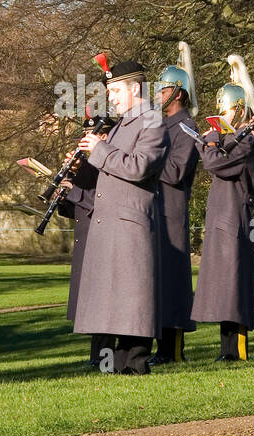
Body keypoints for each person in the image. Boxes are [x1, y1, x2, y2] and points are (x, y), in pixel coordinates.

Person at [72, 59, 169, 375]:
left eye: (115, 90)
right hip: (110, 220)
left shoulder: (152, 121)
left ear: (135, 88)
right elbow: (111, 168)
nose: (110, 96)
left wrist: (99, 151)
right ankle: (115, 364)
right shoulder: (121, 124)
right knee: (116, 297)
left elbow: (139, 167)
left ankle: (135, 364)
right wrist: (84, 165)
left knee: (134, 297)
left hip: (130, 221)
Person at [192, 60, 254, 361]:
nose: (221, 117)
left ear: (238, 109)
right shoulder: (229, 139)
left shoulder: (246, 141)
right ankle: (226, 349)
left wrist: (208, 144)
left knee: (235, 282)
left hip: (236, 215)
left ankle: (237, 349)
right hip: (221, 214)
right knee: (223, 283)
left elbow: (215, 163)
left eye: (225, 111)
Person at [149, 60, 199, 366]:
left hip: (172, 210)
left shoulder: (186, 127)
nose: (159, 95)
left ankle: (173, 348)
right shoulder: (160, 125)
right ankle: (161, 347)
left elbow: (177, 170)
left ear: (178, 93)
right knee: (156, 283)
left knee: (173, 283)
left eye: (164, 89)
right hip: (154, 210)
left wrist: (149, 158)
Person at [54, 139, 111, 369]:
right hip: (86, 238)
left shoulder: (109, 166)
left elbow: (102, 201)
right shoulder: (90, 166)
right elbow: (78, 209)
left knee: (103, 303)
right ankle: (96, 357)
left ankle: (105, 358)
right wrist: (63, 194)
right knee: (91, 303)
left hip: (102, 239)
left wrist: (74, 190)